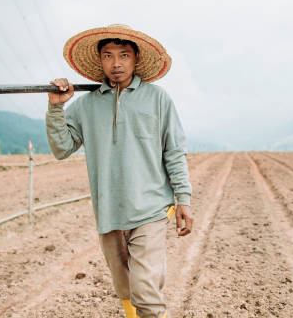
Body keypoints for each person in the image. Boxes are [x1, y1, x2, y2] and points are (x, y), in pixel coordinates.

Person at [46, 24, 193, 318]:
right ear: (100, 61)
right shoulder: (86, 105)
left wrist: (183, 198)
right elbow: (62, 148)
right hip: (109, 211)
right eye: (108, 55)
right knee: (124, 285)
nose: (116, 63)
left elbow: (174, 150)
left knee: (147, 291)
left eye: (123, 55)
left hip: (149, 209)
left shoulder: (157, 99)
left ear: (135, 59)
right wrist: (56, 109)